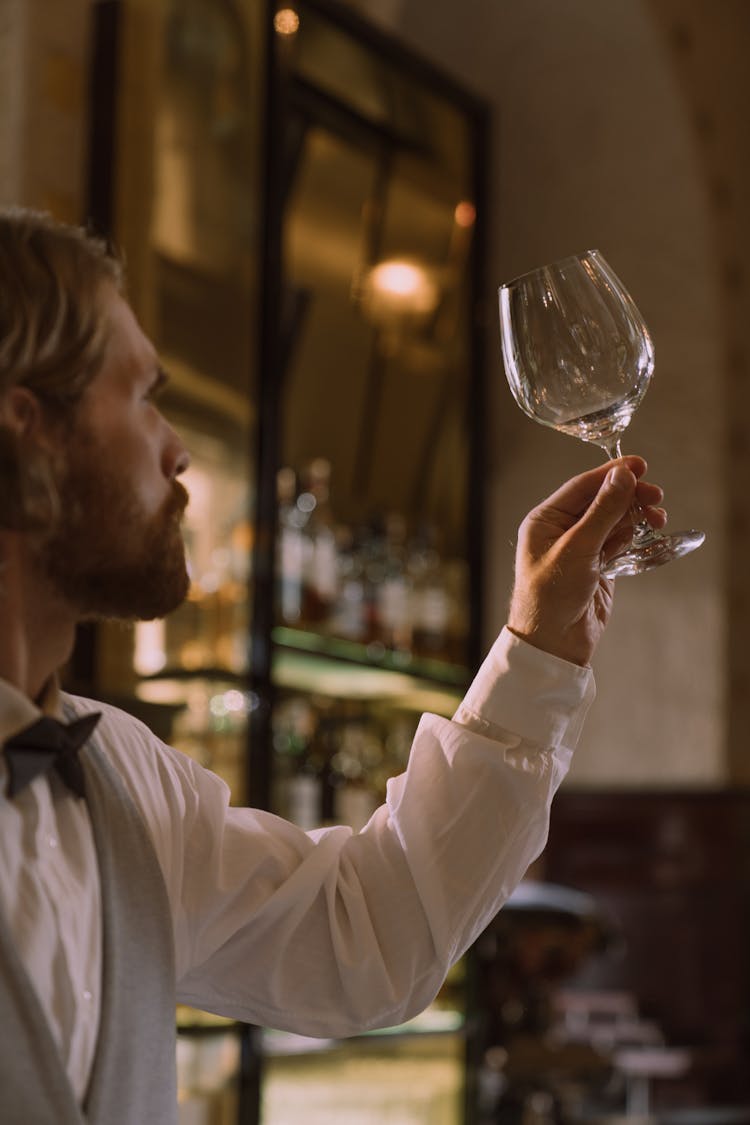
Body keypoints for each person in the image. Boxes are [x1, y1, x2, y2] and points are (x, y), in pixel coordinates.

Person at [0, 207, 666, 1124]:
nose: (176, 448)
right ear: (26, 427)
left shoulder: (122, 779)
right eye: (143, 395)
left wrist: (539, 648)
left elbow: (368, 933)